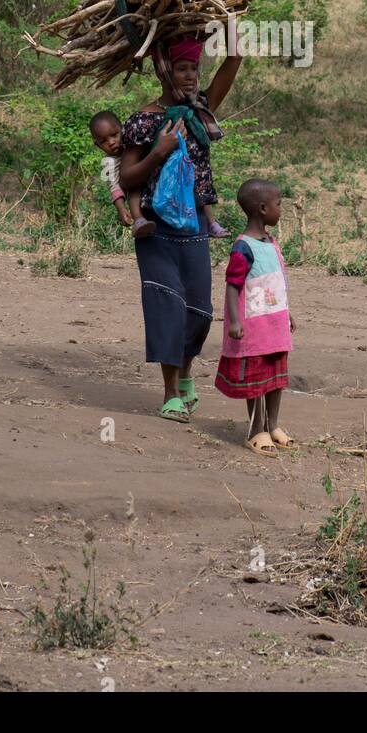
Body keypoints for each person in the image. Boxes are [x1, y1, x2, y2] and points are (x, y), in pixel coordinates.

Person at [118, 33, 242, 422]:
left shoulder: (202, 111)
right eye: (182, 69)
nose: (191, 77)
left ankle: (186, 372)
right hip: (155, 230)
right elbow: (127, 177)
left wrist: (229, 17)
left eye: (194, 69)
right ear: (163, 71)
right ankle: (170, 391)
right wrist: (158, 151)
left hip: (194, 230)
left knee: (200, 311)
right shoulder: (143, 120)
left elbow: (235, 58)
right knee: (165, 306)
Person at [215, 178, 296, 455]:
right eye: (278, 204)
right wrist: (235, 322)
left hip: (275, 324)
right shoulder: (242, 248)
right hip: (254, 326)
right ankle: (255, 430)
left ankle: (272, 425)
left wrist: (288, 314)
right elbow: (232, 285)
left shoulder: (270, 243)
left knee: (276, 377)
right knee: (256, 379)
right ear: (262, 208)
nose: (280, 209)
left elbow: (276, 283)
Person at [90, 109, 228, 241]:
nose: (111, 142)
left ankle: (211, 223)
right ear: (97, 145)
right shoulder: (109, 162)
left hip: (154, 179)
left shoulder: (134, 144)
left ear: (124, 130)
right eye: (104, 141)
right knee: (133, 187)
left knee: (194, 185)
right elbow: (114, 186)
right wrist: (121, 208)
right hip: (136, 187)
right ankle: (139, 219)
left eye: (114, 135)